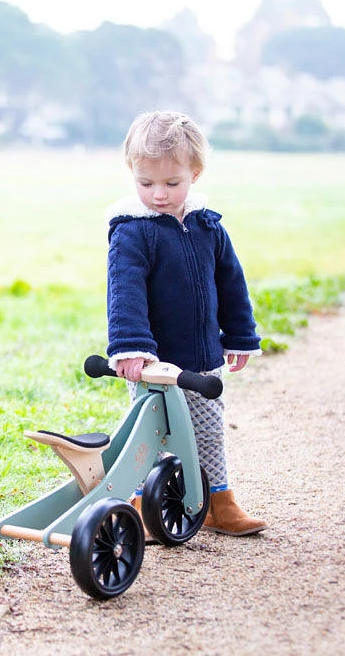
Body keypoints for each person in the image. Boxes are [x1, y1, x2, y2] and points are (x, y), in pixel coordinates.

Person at [106, 110, 266, 536]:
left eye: (171, 183)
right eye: (146, 183)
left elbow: (231, 284)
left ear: (195, 173)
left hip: (203, 360)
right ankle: (142, 505)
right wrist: (132, 346)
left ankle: (218, 503)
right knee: (151, 437)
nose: (158, 194)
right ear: (131, 174)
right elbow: (125, 291)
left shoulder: (208, 226)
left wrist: (239, 337)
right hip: (153, 363)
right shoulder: (132, 231)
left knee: (209, 433)